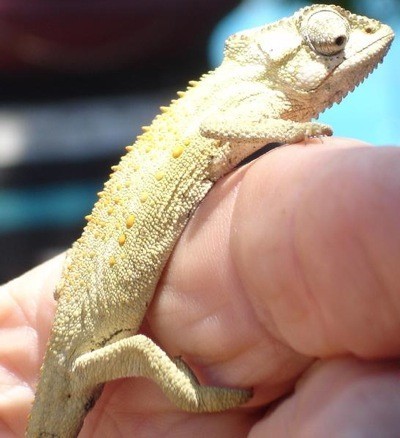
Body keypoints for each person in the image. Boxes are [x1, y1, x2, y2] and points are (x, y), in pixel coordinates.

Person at [1, 138, 400, 437]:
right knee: (137, 350)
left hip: (80, 327)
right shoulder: (79, 368)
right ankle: (191, 396)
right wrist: (193, 397)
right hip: (79, 352)